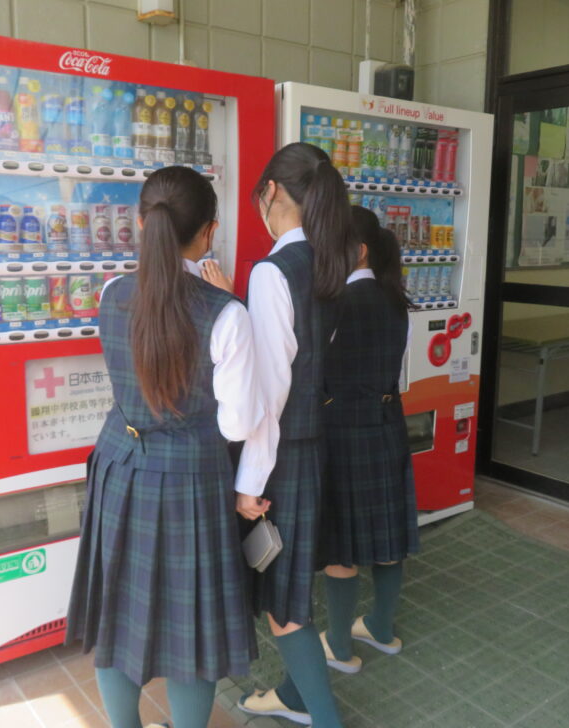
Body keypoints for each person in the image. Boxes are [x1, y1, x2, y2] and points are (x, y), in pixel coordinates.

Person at [65, 166, 265, 728]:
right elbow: (238, 424)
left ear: (140, 223)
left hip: (119, 465)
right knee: (192, 629)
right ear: (209, 233)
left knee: (118, 616)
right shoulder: (226, 313)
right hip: (190, 480)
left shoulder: (112, 293)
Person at [205, 142, 357, 728]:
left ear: (271, 191)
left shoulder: (273, 271)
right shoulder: (331, 260)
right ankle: (296, 696)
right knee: (294, 586)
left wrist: (249, 482)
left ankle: (323, 717)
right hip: (317, 447)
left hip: (282, 458)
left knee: (283, 605)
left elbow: (269, 393)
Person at [315, 206, 420, 677]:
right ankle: (380, 626)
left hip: (343, 430)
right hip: (387, 422)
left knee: (342, 545)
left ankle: (339, 646)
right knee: (387, 534)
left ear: (357, 251)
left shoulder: (336, 304)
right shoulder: (395, 299)